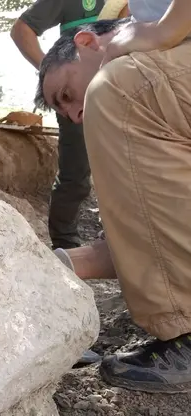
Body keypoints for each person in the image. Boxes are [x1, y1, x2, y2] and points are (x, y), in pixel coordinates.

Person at [36, 0, 191, 393]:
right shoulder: (169, 110)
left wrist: (165, 29)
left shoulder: (146, 63)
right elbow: (160, 232)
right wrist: (58, 264)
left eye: (67, 94)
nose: (75, 115)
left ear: (87, 42)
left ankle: (184, 327)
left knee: (117, 90)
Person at [11, 0, 106, 251]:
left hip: (132, 96)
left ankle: (124, 249)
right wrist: (53, 74)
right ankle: (65, 248)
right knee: (76, 175)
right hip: (78, 100)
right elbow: (22, 30)